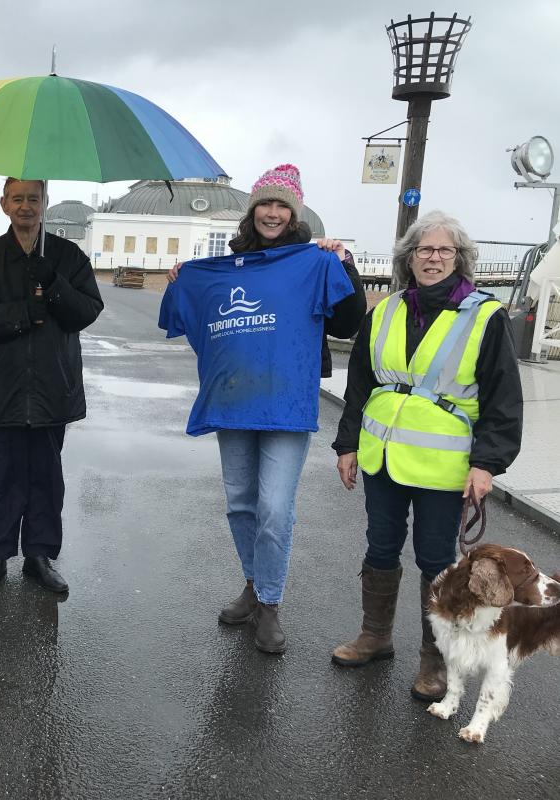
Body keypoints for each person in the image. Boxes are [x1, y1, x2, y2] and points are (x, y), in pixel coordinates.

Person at [162, 164, 365, 653]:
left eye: (282, 205)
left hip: (287, 405)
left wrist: (344, 264)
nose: (272, 212)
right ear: (252, 210)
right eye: (265, 204)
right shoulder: (219, 268)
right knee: (240, 503)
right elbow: (184, 313)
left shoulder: (312, 261)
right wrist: (180, 280)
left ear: (292, 213)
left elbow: (348, 322)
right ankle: (253, 585)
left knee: (275, 507)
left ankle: (270, 603)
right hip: (232, 401)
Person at [330, 210, 522, 701]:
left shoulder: (485, 316)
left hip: (445, 467)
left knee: (436, 561)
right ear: (408, 258)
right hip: (384, 458)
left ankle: (435, 660)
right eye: (424, 250)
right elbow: (360, 384)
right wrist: (347, 443)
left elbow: (503, 398)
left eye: (444, 250)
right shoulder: (386, 311)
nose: (433, 258)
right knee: (380, 548)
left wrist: (487, 463)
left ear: (460, 260)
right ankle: (375, 638)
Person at [0, 178, 103, 594]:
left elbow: (87, 311)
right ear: (4, 204)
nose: (26, 206)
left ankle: (40, 556)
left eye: (34, 199)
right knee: (0, 475)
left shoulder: (67, 256)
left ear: (45, 204)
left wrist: (54, 285)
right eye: (18, 198)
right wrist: (25, 311)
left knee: (45, 475)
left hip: (50, 387)